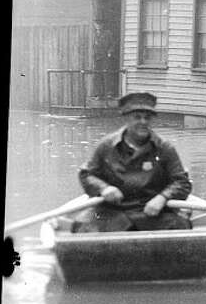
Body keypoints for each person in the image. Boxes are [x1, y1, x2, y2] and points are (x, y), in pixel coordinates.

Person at [73, 92, 192, 232]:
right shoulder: (106, 146)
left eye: (147, 118)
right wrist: (103, 188)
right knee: (81, 227)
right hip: (114, 211)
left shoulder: (165, 148)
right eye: (137, 117)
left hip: (153, 212)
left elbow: (182, 182)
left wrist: (162, 197)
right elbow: (87, 174)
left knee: (180, 227)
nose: (143, 122)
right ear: (127, 119)